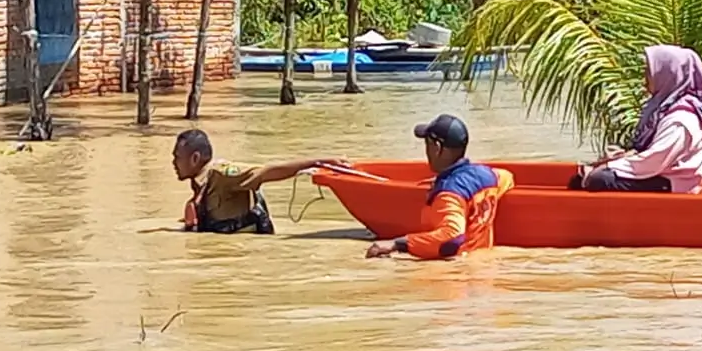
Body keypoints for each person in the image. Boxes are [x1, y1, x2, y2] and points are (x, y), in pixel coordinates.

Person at [570, 44, 702, 194]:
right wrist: (619, 158)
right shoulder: (665, 109)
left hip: (674, 182)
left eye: (650, 73)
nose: (645, 79)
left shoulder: (682, 120)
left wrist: (610, 166)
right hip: (659, 173)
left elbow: (655, 160)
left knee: (600, 179)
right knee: (582, 178)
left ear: (668, 75)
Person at [366, 114, 513, 259]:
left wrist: (398, 244)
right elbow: (508, 177)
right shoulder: (488, 176)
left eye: (427, 144)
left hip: (455, 272)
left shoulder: (448, 194)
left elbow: (452, 239)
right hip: (483, 268)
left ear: (437, 147)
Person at [171, 129, 344, 234]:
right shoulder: (200, 188)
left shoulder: (222, 174)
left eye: (177, 158)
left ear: (195, 158)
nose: (173, 163)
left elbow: (268, 171)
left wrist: (320, 162)